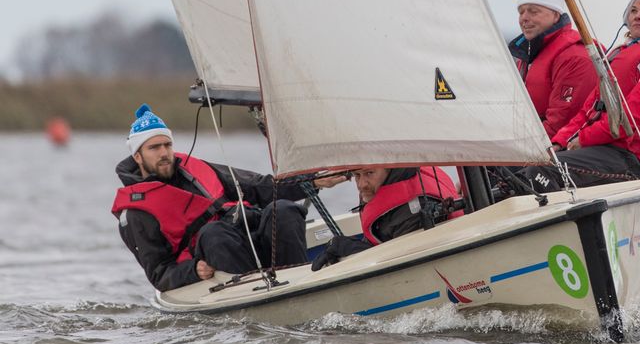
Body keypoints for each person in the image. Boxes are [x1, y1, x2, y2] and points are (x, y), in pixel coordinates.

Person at [517, 0, 640, 193]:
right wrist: (559, 142)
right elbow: (588, 109)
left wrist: (583, 139)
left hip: (632, 159)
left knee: (542, 172)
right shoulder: (621, 55)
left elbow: (630, 117)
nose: (637, 16)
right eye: (633, 10)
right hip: (603, 150)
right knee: (522, 171)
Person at [111, 104, 309, 292]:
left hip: (250, 238)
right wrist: (194, 270)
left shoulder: (195, 169)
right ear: (137, 157)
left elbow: (258, 186)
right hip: (220, 259)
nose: (164, 153)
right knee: (214, 232)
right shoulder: (136, 213)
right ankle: (256, 295)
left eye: (167, 145)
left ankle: (301, 283)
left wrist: (309, 183)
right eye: (154, 148)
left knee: (283, 210)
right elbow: (159, 274)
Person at [311, 166, 459, 270]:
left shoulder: (412, 209)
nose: (361, 184)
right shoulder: (382, 185)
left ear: (390, 169)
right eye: (357, 175)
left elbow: (404, 266)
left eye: (369, 173)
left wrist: (348, 248)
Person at [508, 0, 598, 139]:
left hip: (554, 149)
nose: (524, 18)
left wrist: (517, 146)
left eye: (533, 12)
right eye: (521, 12)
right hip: (525, 140)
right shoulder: (529, 53)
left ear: (556, 15)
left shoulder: (575, 56)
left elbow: (562, 121)